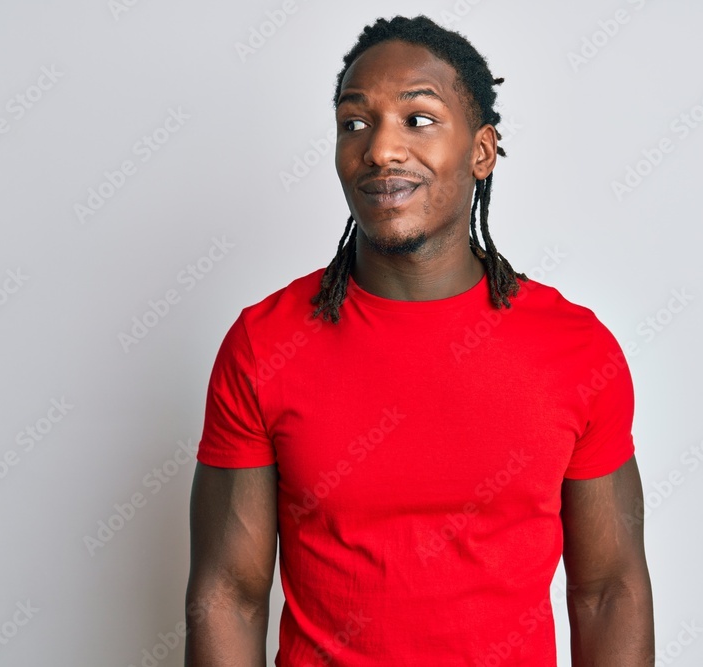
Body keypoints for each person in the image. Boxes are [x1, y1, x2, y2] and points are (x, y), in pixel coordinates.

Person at [185, 14, 654, 666]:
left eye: (418, 119)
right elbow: (228, 595)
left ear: (482, 152)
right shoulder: (266, 344)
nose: (380, 149)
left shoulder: (575, 349)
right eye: (355, 123)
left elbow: (609, 590)